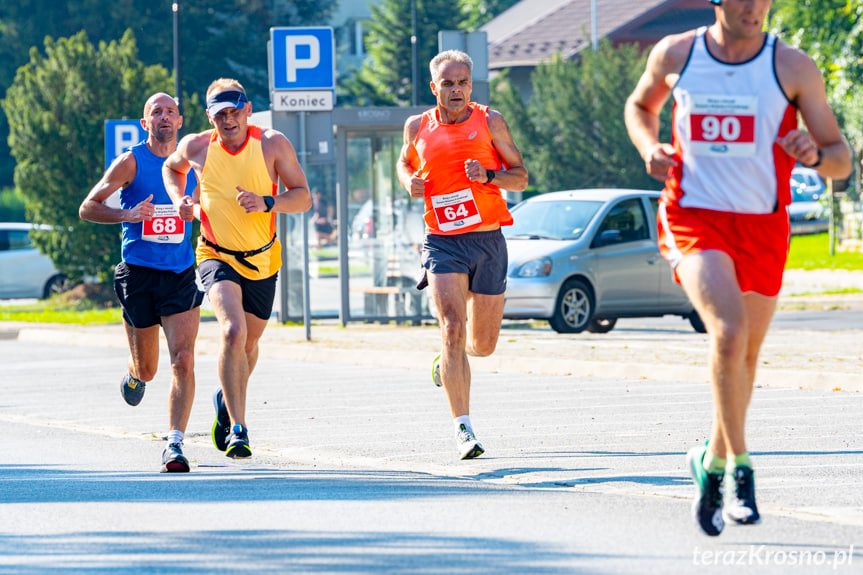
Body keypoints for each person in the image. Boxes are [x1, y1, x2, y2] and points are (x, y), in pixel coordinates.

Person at [624, 0, 852, 536]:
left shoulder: (792, 66)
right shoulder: (677, 52)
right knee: (727, 334)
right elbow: (639, 106)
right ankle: (739, 472)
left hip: (763, 226)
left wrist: (815, 157)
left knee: (745, 357)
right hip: (693, 217)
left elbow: (841, 157)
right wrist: (647, 146)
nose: (756, 7)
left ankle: (708, 460)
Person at [163, 78, 311, 459]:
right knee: (232, 332)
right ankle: (239, 431)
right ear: (210, 118)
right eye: (220, 115)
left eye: (234, 112)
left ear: (247, 110)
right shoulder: (197, 146)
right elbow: (171, 168)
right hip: (216, 254)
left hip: (263, 258)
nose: (228, 121)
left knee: (248, 345)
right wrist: (182, 200)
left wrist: (267, 202)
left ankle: (226, 402)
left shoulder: (272, 144)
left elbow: (303, 197)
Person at [396, 50, 528, 459]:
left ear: (472, 85)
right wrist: (409, 183)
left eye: (463, 83)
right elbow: (404, 162)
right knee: (452, 327)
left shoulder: (490, 121)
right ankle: (464, 429)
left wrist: (488, 175)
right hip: (442, 241)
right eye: (448, 84)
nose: (456, 90)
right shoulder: (417, 125)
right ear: (433, 88)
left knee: (482, 345)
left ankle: (446, 363)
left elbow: (521, 177)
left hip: (487, 241)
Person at [79, 92, 203, 473]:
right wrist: (128, 213)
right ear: (144, 122)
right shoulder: (130, 161)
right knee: (149, 370)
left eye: (170, 112)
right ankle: (134, 374)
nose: (164, 117)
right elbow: (88, 207)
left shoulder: (196, 163)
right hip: (139, 275)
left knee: (183, 360)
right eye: (156, 112)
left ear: (180, 121)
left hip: (181, 272)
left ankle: (175, 444)